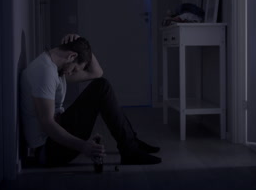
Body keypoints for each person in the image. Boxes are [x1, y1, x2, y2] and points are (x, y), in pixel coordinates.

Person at [20, 34, 161, 167]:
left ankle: (131, 144)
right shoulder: (46, 73)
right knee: (101, 87)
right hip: (47, 151)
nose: (71, 73)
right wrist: (84, 146)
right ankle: (131, 148)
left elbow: (97, 73)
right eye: (75, 68)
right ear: (71, 56)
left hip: (54, 137)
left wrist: (81, 41)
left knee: (101, 85)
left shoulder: (55, 68)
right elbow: (48, 124)